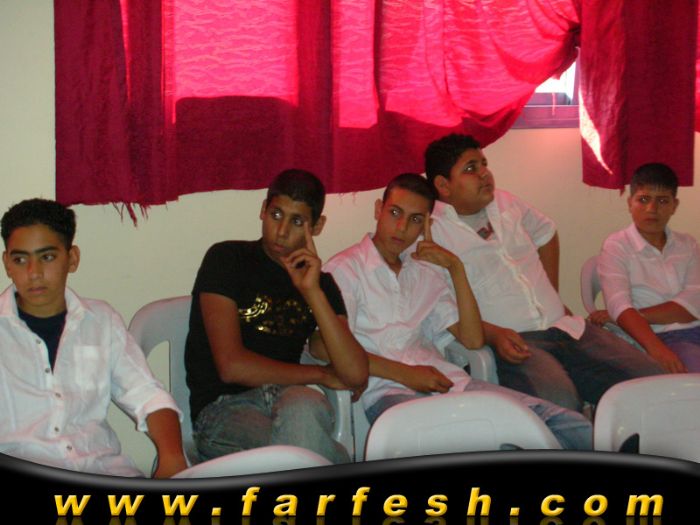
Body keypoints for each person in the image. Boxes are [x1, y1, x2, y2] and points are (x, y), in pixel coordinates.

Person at [323, 173, 591, 449]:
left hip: (449, 384)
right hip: (389, 393)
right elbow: (323, 348)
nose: (402, 227)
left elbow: (472, 339)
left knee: (566, 424)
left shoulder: (424, 269)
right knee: (460, 445)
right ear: (379, 209)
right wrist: (407, 374)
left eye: (415, 219)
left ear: (427, 224)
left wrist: (455, 267)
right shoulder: (345, 270)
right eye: (395, 213)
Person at [425, 134, 664, 412]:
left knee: (651, 382)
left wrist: (551, 292)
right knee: (562, 404)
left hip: (567, 328)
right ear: (443, 185)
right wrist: (493, 335)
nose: (484, 174)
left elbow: (547, 233)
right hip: (515, 342)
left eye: (484, 164)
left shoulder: (505, 202)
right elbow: (444, 310)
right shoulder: (433, 232)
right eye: (471, 168)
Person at [185, 169, 368, 464]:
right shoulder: (227, 259)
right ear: (263, 210)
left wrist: (312, 292)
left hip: (289, 398)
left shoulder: (320, 284)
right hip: (224, 409)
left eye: (296, 221)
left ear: (317, 226)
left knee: (304, 408)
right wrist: (321, 374)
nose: (281, 231)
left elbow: (356, 374)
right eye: (276, 215)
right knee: (298, 446)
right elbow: (232, 366)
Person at [0, 198, 187, 477]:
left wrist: (172, 458)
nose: (34, 273)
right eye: (20, 259)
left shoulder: (101, 320)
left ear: (72, 258)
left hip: (104, 471)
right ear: (7, 264)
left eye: (47, 257)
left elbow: (148, 395)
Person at [589, 163, 700, 373]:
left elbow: (694, 304)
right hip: (653, 337)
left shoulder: (688, 244)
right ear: (630, 203)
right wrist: (658, 350)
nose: (652, 209)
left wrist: (628, 316)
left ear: (674, 205)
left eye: (662, 201)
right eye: (643, 199)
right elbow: (619, 304)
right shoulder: (616, 246)